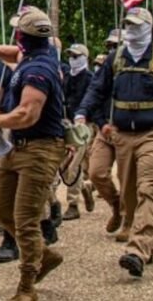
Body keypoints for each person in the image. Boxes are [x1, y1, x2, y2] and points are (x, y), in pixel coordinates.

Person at [76, 6, 153, 277]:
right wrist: (82, 114)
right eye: (128, 25)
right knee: (129, 193)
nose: (132, 30)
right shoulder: (116, 58)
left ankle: (137, 248)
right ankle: (148, 242)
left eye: (137, 25)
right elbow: (97, 89)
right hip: (123, 133)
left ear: (148, 27)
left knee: (149, 188)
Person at [0, 8, 67, 299]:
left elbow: (28, 113)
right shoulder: (33, 56)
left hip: (40, 149)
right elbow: (12, 53)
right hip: (17, 147)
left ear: (23, 36)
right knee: (3, 212)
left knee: (25, 219)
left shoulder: (38, 71)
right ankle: (45, 255)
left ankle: (27, 285)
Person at [85, 29, 125, 237]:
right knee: (96, 172)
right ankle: (117, 205)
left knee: (127, 177)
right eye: (109, 46)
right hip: (105, 128)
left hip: (128, 130)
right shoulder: (104, 70)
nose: (112, 50)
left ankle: (129, 221)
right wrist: (100, 122)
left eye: (116, 46)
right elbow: (95, 95)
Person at [60, 43, 95, 221]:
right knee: (63, 166)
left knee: (73, 166)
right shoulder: (65, 77)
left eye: (76, 56)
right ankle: (84, 187)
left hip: (82, 127)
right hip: (65, 125)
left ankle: (73, 204)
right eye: (71, 56)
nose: (73, 59)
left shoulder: (90, 78)